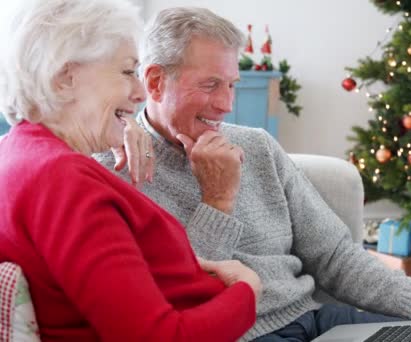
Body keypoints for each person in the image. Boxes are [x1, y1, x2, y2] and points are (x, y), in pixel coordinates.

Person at [96, 7, 411, 342]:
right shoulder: (118, 171)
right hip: (238, 335)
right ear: (154, 82)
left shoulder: (256, 146)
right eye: (210, 85)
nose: (226, 104)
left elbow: (334, 254)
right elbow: (183, 299)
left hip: (316, 322)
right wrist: (217, 199)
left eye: (231, 85)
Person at [0, 1, 261, 341]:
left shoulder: (17, 150)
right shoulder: (63, 179)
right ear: (66, 78)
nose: (140, 93)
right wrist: (247, 292)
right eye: (127, 72)